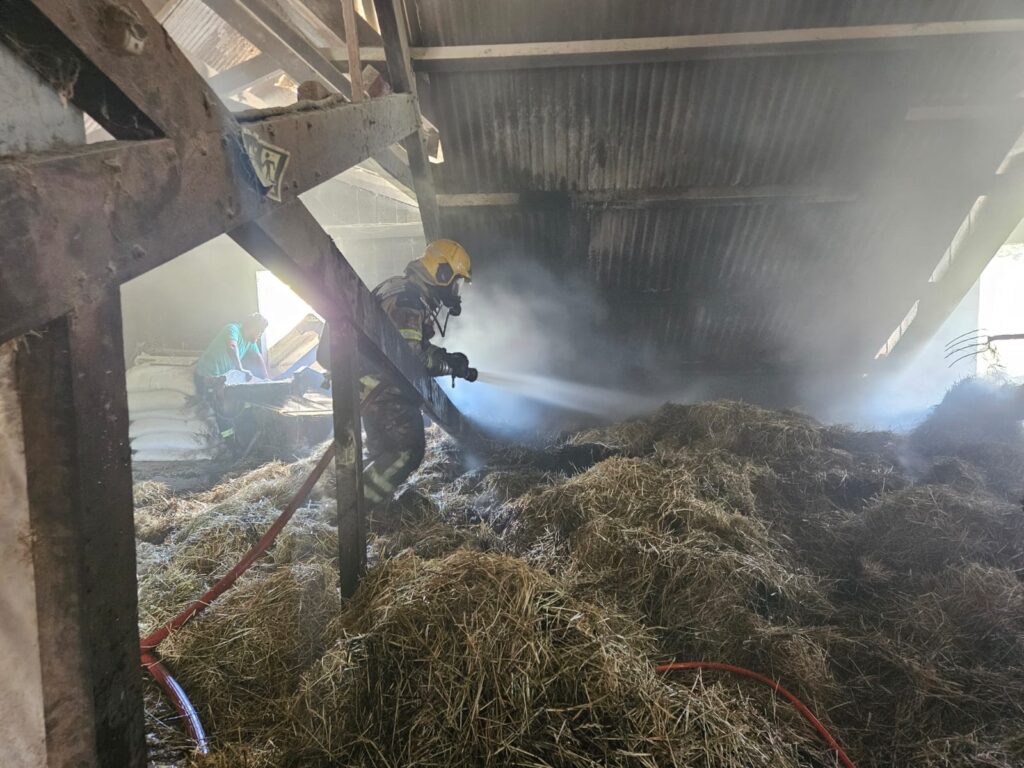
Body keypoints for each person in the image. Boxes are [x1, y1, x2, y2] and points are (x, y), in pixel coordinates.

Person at [318, 239, 478, 508]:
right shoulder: (408, 300)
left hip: (367, 383)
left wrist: (447, 359)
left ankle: (356, 504)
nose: (456, 290)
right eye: (456, 281)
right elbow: (410, 357)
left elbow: (408, 346)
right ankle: (356, 512)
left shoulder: (404, 291)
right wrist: (448, 364)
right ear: (442, 273)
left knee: (385, 453)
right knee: (407, 451)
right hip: (381, 387)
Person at [194, 313, 270, 390]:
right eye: (260, 332)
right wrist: (240, 368)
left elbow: (258, 357)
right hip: (206, 376)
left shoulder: (249, 341)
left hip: (221, 378)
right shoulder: (233, 329)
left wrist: (267, 379)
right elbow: (232, 347)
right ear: (253, 328)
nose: (260, 335)